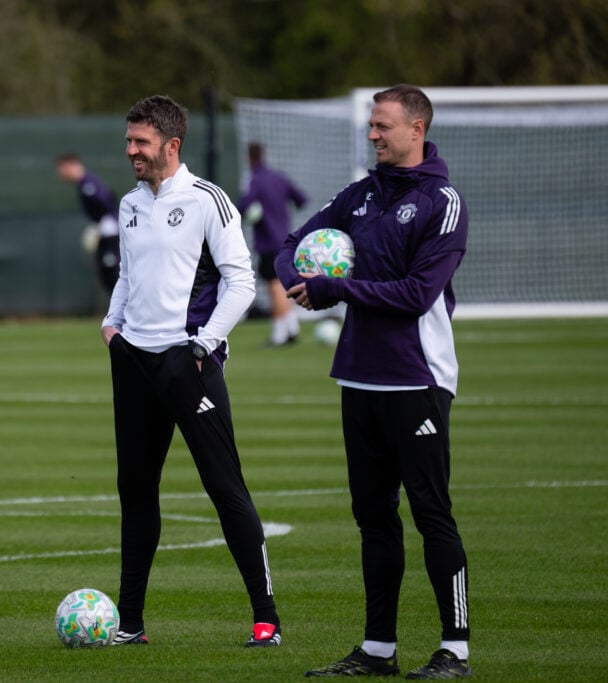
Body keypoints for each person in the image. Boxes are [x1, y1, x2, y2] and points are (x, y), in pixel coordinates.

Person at [276, 85, 472, 679]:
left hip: (417, 378)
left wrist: (336, 288)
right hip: (359, 377)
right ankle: (378, 649)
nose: (373, 135)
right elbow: (291, 244)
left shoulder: (444, 202)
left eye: (383, 126)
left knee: (431, 513)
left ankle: (455, 649)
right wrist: (300, 283)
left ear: (416, 129)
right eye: (371, 125)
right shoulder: (358, 195)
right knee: (373, 518)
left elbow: (416, 294)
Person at [101, 94, 283, 648]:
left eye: (141, 142)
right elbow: (129, 275)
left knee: (224, 486)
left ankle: (266, 619)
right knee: (135, 489)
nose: (131, 150)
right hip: (133, 362)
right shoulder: (131, 203)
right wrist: (112, 326)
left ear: (171, 145)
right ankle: (129, 624)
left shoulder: (209, 200)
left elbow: (243, 283)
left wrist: (204, 345)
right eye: (129, 140)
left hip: (189, 364)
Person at [237, 142, 308, 346]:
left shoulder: (255, 180)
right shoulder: (279, 177)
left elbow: (243, 207)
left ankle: (279, 335)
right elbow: (301, 199)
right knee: (280, 285)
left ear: (249, 158)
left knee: (274, 286)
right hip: (286, 240)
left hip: (268, 242)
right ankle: (292, 328)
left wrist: (252, 214)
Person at [55, 152, 121, 294]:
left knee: (111, 272)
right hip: (106, 231)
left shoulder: (88, 183)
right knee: (106, 275)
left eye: (61, 169)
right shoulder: (84, 184)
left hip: (111, 233)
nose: (60, 174)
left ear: (70, 166)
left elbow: (106, 201)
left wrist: (99, 226)